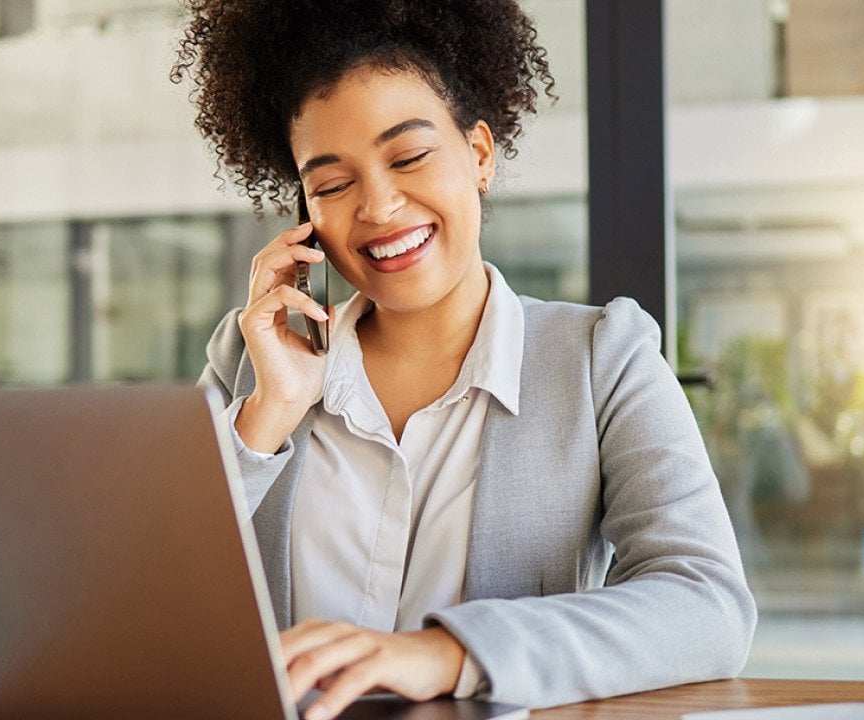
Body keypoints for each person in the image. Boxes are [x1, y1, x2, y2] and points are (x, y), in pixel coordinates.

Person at [173, 1, 757, 717]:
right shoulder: (250, 362)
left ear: (478, 154)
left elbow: (708, 604)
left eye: (409, 156)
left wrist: (449, 654)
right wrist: (266, 417)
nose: (379, 206)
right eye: (331, 183)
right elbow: (142, 600)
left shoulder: (601, 360)